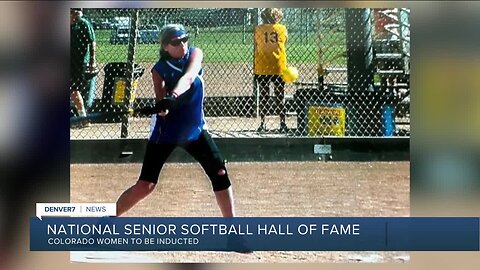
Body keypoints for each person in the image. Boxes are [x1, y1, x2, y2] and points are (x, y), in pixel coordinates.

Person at [115, 24, 240, 220]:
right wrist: (161, 107)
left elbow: (189, 77)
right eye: (175, 42)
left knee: (220, 172)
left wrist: (173, 95)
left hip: (195, 129)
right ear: (165, 46)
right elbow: (162, 103)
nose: (182, 44)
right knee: (146, 185)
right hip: (167, 132)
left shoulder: (195, 54)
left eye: (185, 39)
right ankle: (106, 220)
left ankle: (233, 232)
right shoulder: (159, 69)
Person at [254, 8, 288, 133]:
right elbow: (285, 42)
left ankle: (263, 124)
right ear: (277, 17)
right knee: (280, 96)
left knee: (264, 96)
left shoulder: (258, 29)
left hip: (262, 66)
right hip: (278, 66)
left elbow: (256, 46)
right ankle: (283, 124)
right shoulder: (282, 29)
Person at [70, 8, 97, 127]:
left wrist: (92, 60)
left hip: (78, 62)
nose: (76, 12)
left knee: (73, 88)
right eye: (73, 10)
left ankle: (83, 118)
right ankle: (81, 118)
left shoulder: (84, 24)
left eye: (78, 10)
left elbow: (92, 42)